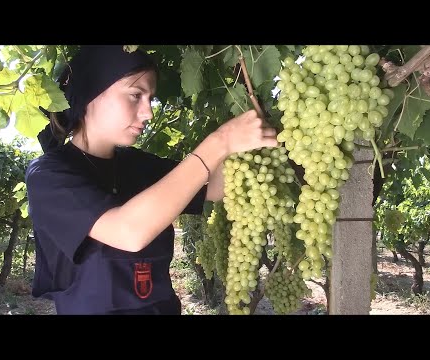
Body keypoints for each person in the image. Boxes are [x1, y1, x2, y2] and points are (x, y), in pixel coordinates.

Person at [25, 45, 279, 315]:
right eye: (135, 95)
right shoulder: (49, 176)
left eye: (150, 99)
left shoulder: (140, 165)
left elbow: (214, 187)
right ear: (91, 94)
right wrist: (219, 142)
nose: (148, 112)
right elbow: (128, 232)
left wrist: (254, 147)